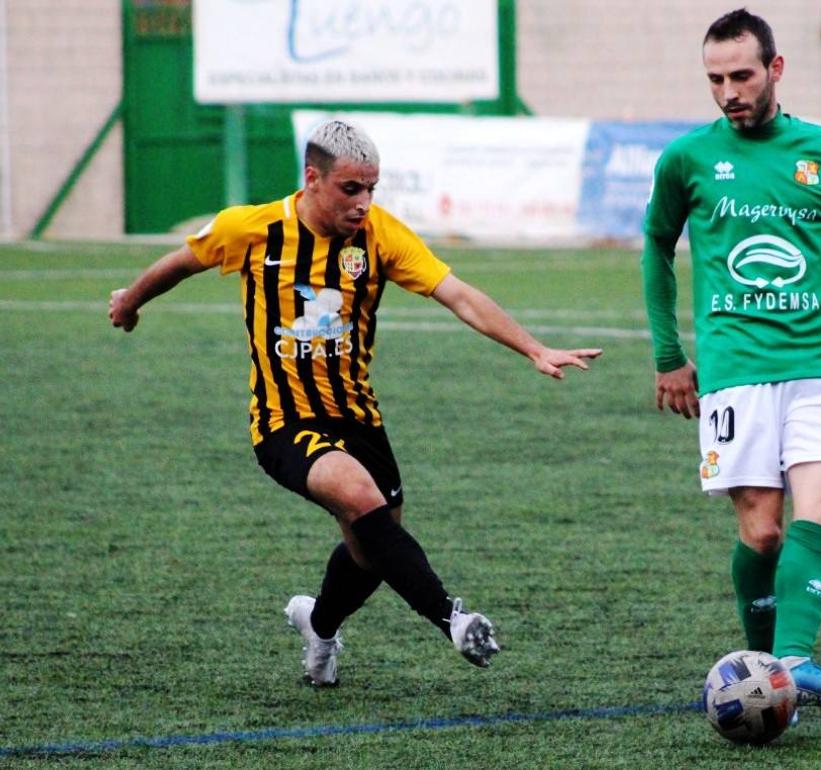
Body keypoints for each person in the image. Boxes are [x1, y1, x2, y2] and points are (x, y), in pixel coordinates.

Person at [108, 120, 602, 684]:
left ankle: (319, 626)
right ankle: (453, 619)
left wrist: (533, 347)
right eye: (351, 189)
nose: (364, 202)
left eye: (371, 188)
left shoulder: (381, 235)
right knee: (361, 499)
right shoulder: (252, 228)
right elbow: (180, 262)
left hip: (359, 417)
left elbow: (458, 295)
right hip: (283, 421)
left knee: (372, 548)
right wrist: (131, 301)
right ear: (312, 179)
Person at [642, 9, 821, 715]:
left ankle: (793, 661)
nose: (729, 92)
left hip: (819, 364)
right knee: (763, 532)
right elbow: (656, 247)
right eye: (715, 79)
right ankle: (768, 681)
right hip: (736, 371)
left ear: (775, 69)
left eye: (742, 75)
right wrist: (669, 355)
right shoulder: (687, 159)